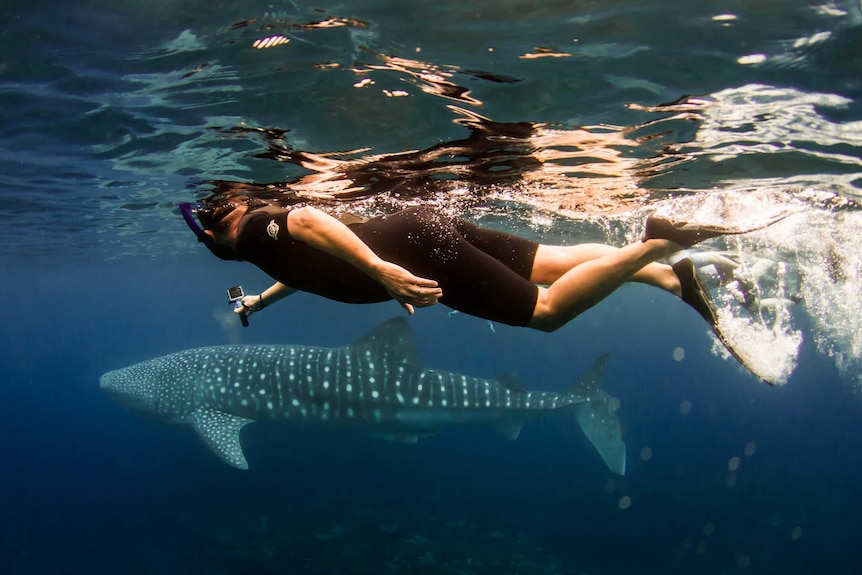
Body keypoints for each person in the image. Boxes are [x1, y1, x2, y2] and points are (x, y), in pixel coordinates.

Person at [179, 196, 762, 366]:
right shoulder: (263, 244)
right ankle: (669, 274)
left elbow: (308, 222)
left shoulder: (250, 230)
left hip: (416, 253)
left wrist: (383, 271)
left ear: (211, 232)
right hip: (421, 225)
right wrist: (264, 298)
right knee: (552, 260)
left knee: (548, 311)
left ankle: (657, 243)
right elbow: (309, 259)